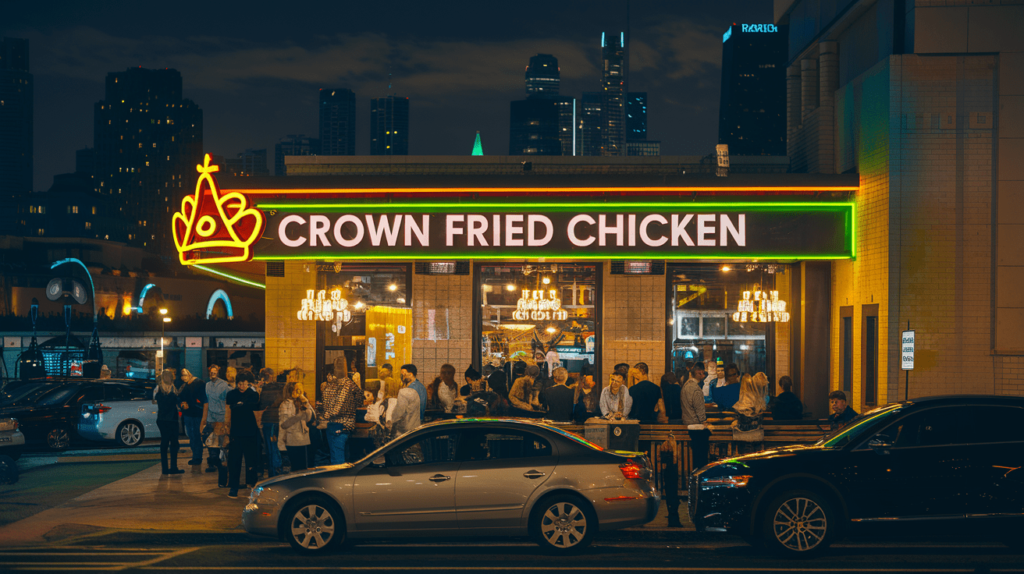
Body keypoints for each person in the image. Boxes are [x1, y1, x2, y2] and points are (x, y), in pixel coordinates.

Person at [225, 370, 260, 498]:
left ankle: (252, 486)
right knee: (234, 461)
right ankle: (233, 487)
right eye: (240, 384)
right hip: (236, 431)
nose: (242, 386)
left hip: (250, 431)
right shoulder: (231, 394)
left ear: (248, 383)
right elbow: (228, 410)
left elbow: (257, 411)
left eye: (245, 384)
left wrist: (238, 406)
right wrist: (226, 426)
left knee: (252, 460)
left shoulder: (253, 394)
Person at [320, 357, 361, 464]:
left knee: (336, 457)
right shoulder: (350, 384)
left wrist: (327, 414)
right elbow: (360, 400)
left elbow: (331, 409)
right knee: (343, 456)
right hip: (347, 424)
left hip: (335, 424)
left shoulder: (331, 386)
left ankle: (339, 477)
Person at [256, 367, 285, 477]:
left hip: (269, 421)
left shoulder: (266, 389)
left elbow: (261, 405)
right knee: (275, 447)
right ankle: (276, 470)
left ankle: (274, 472)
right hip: (276, 421)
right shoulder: (279, 388)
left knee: (271, 447)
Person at [153, 370, 184, 475]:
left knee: (164, 443)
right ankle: (174, 467)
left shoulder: (158, 390)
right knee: (174, 443)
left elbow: (155, 400)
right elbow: (177, 403)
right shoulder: (173, 391)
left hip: (162, 419)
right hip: (172, 419)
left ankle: (165, 469)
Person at [278, 380, 312, 472]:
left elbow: (310, 417)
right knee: (295, 469)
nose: (300, 391)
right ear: (291, 390)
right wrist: (281, 444)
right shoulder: (285, 404)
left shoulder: (302, 402)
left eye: (301, 389)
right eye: (297, 389)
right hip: (292, 440)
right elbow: (284, 424)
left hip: (304, 440)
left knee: (304, 469)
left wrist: (306, 402)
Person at [680, 374, 712, 472]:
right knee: (700, 458)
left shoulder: (685, 386)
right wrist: (704, 422)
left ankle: (694, 476)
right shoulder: (696, 389)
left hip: (688, 425)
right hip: (698, 428)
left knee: (695, 457)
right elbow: (700, 408)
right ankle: (700, 476)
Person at [177, 368, 207, 467]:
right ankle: (196, 456)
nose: (183, 377)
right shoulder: (184, 386)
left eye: (184, 375)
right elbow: (180, 397)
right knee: (192, 435)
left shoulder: (198, 383)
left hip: (196, 413)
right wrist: (182, 404)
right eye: (182, 375)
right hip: (189, 414)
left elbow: (203, 400)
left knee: (196, 435)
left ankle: (197, 457)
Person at [204, 364, 231, 475]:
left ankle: (221, 461)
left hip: (220, 416)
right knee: (210, 440)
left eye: (214, 372)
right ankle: (213, 460)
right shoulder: (207, 385)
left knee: (221, 441)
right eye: (211, 372)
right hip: (211, 416)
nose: (212, 374)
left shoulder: (224, 385)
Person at [732, 373, 768, 453]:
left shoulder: (739, 398)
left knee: (744, 456)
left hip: (742, 434)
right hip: (756, 434)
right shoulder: (757, 399)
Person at [387, 374, 422, 438]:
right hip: (415, 429)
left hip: (404, 433)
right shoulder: (415, 392)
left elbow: (399, 413)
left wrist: (392, 424)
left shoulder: (403, 392)